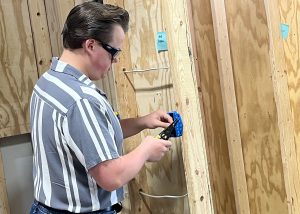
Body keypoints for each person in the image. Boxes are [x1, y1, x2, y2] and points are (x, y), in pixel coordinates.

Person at [29, 1, 172, 213]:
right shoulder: (81, 100)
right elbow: (111, 176)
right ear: (91, 45)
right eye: (113, 52)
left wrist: (142, 122)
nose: (115, 61)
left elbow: (90, 137)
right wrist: (145, 150)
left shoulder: (50, 81)